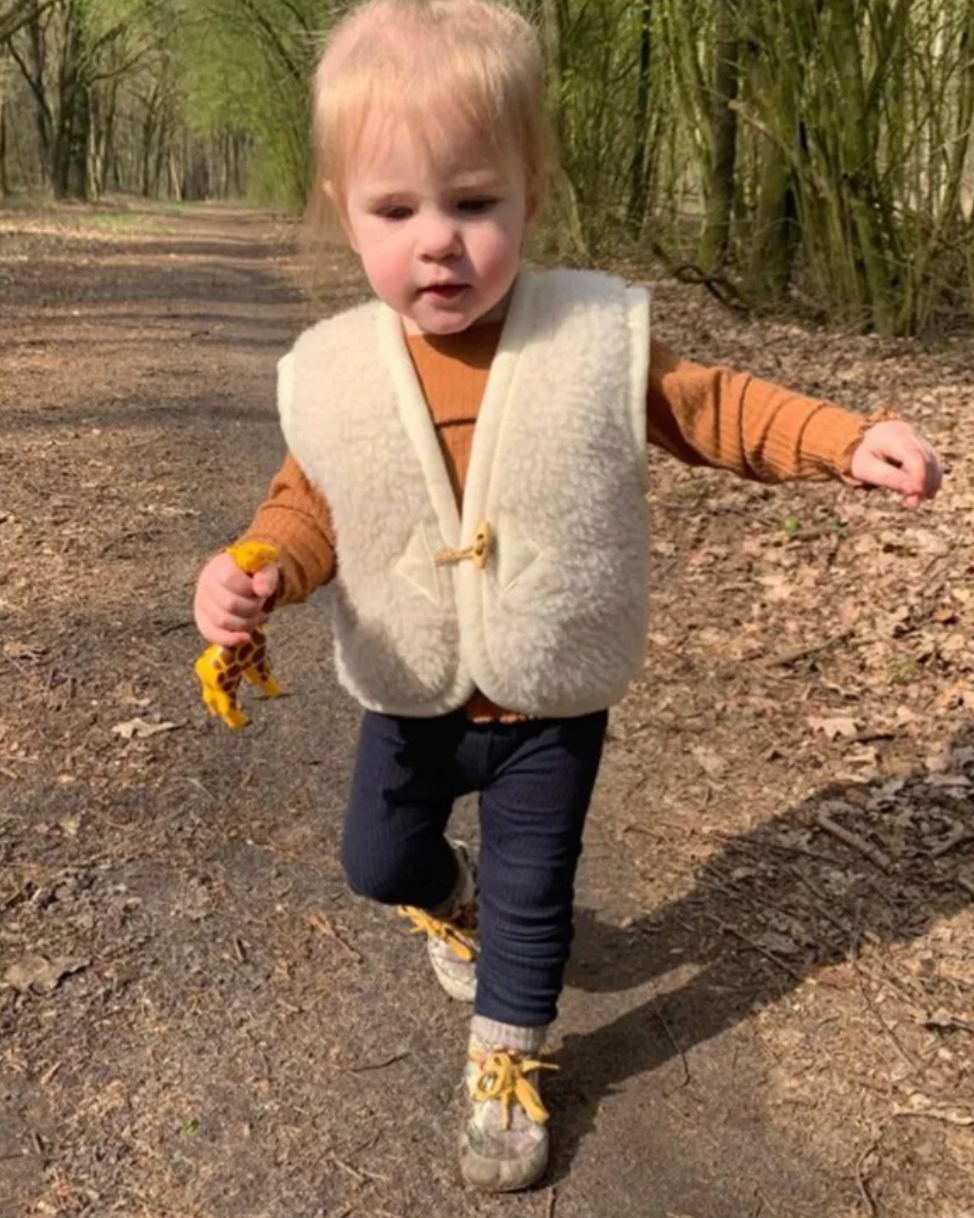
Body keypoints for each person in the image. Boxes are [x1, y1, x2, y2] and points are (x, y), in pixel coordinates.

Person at [192, 0, 942, 1193]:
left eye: (473, 204)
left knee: (540, 899)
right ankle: (454, 902)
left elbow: (713, 408)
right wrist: (256, 572)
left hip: (547, 704)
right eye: (398, 211)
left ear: (531, 199)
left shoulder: (587, 337)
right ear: (346, 216)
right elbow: (308, 508)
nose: (438, 242)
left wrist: (841, 439)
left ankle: (504, 1059)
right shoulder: (333, 373)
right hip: (412, 696)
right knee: (377, 863)